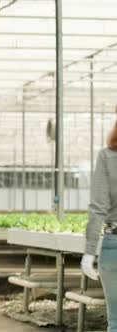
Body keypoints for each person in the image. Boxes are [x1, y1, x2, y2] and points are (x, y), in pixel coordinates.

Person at [82, 110, 117, 331]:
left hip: (114, 244)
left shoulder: (108, 156)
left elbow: (98, 208)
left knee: (115, 320)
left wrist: (89, 252)